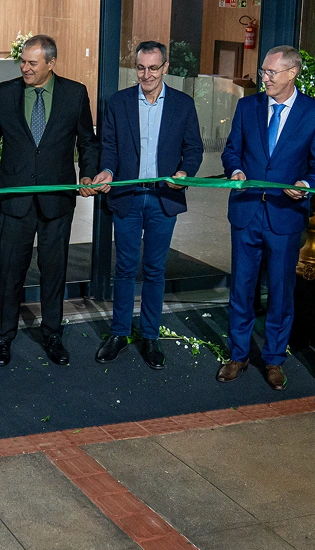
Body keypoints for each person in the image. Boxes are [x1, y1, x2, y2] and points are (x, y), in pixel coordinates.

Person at [0, 34, 100, 368]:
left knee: (54, 270)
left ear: (51, 63)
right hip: (15, 200)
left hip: (57, 200)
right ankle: (3, 337)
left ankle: (52, 334)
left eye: (32, 63)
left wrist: (88, 175)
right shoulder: (6, 92)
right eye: (23, 61)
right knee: (10, 271)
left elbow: (87, 143)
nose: (24, 68)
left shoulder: (75, 94)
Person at [217, 45, 315, 390]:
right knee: (241, 288)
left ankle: (275, 359)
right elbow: (231, 150)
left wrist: (306, 185)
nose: (263, 78)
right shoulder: (246, 106)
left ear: (292, 73)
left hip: (285, 216)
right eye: (263, 72)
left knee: (281, 292)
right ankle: (238, 354)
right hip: (247, 210)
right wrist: (235, 170)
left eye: (270, 72)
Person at [90, 41, 204, 369]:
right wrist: (107, 170)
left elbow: (193, 148)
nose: (147, 74)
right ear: (135, 67)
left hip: (162, 199)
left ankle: (150, 336)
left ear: (165, 67)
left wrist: (185, 172)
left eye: (154, 68)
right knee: (125, 268)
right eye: (141, 68)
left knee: (155, 270)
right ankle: (119, 333)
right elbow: (108, 146)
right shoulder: (119, 102)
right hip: (127, 197)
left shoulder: (183, 104)